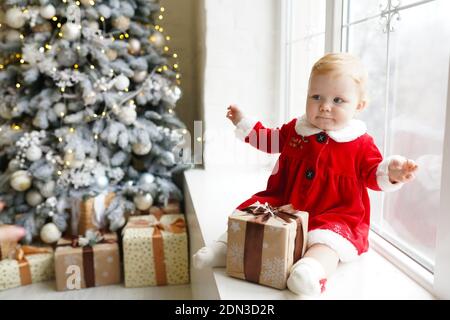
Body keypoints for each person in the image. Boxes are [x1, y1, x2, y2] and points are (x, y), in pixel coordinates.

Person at [192, 53, 418, 296]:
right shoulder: (298, 129)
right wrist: (244, 123)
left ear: (359, 106)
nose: (325, 106)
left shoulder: (360, 143)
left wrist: (391, 172)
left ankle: (311, 270)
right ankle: (227, 248)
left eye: (338, 100)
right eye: (316, 97)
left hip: (335, 212)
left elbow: (373, 175)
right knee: (255, 214)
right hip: (285, 200)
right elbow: (271, 140)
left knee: (327, 243)